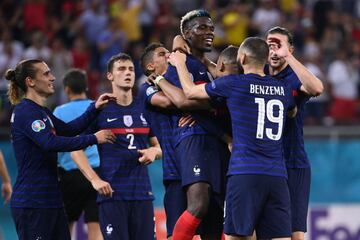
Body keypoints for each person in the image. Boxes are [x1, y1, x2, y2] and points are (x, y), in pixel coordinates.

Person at [167, 37, 296, 240]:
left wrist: (180, 64)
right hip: (277, 176)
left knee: (235, 236)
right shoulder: (283, 89)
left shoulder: (234, 84)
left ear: (242, 58)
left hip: (244, 173)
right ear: (264, 59)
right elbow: (293, 111)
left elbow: (190, 93)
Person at [5, 59, 116, 240]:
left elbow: (70, 129)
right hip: (33, 202)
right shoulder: (25, 112)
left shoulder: (42, 112)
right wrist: (94, 138)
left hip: (51, 201)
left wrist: (94, 108)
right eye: (46, 73)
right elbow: (50, 142)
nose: (53, 77)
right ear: (30, 81)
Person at [150, 10, 231, 240]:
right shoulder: (180, 63)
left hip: (216, 141)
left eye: (211, 28)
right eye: (202, 28)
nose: (209, 32)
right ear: (186, 34)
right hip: (194, 137)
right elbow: (182, 99)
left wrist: (210, 105)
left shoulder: (211, 67)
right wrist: (215, 104)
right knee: (199, 202)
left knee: (215, 215)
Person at [90, 53, 162, 240]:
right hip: (112, 196)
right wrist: (94, 179)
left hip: (142, 194)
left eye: (130, 69)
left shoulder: (145, 107)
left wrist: (154, 151)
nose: (128, 73)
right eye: (121, 69)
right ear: (110, 76)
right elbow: (75, 148)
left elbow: (159, 147)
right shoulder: (100, 108)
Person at [265, 26, 324, 240]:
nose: (274, 50)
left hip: (293, 161)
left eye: (279, 45)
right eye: (270, 45)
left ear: (290, 49)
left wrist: (287, 57)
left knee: (294, 232)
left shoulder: (294, 76)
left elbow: (316, 88)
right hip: (265, 163)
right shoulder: (257, 74)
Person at [53, 69, 103, 240]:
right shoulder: (97, 106)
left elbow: (55, 144)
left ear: (66, 89)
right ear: (86, 87)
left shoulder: (59, 111)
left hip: (69, 175)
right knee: (95, 228)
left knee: (66, 227)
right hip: (96, 173)